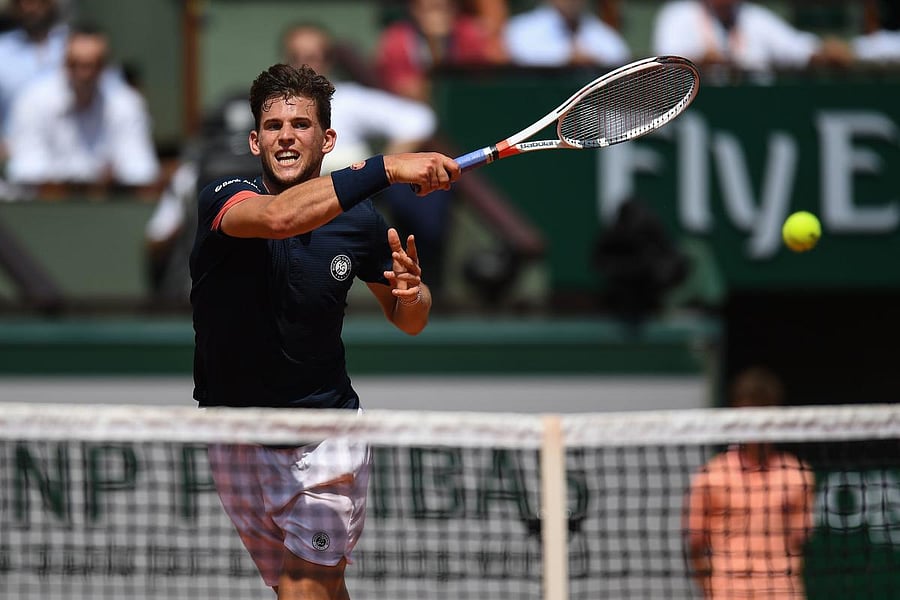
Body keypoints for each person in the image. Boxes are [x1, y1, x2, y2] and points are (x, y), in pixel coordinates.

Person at [190, 63, 458, 599]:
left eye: (301, 124)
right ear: (255, 140)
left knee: (304, 590)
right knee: (314, 591)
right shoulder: (225, 195)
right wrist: (388, 166)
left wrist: (413, 295)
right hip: (233, 435)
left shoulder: (360, 221)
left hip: (325, 438)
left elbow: (412, 320)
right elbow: (281, 219)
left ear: (327, 137)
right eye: (273, 126)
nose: (286, 136)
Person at [684, 366, 815, 599]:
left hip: (782, 590)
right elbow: (695, 543)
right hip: (728, 590)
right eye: (750, 415)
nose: (757, 426)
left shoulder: (797, 474)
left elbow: (800, 537)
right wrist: (713, 590)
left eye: (764, 416)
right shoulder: (711, 475)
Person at [4, 23, 160, 198]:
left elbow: (141, 169)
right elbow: (27, 169)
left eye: (92, 65)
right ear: (64, 63)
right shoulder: (33, 100)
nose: (83, 73)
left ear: (105, 66)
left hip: (106, 209)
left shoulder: (126, 103)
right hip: (46, 209)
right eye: (74, 64)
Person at [652, 0, 854, 74]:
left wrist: (824, 51)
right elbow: (666, 61)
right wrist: (702, 61)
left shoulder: (755, 18)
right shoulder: (677, 15)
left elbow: (797, 48)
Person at [375, 0, 501, 103]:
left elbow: (479, 81)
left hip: (464, 105)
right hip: (411, 108)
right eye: (432, 8)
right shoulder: (397, 38)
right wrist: (435, 44)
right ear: (415, 10)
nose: (440, 15)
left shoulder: (468, 32)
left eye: (446, 8)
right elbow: (405, 90)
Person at [0, 0, 67, 143]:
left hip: (71, 155)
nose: (29, 7)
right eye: (21, 2)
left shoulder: (72, 43)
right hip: (17, 154)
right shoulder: (2, 50)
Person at [503, 0, 630, 67]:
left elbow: (619, 59)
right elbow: (519, 56)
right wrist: (565, 59)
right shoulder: (519, 29)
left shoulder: (606, 36)